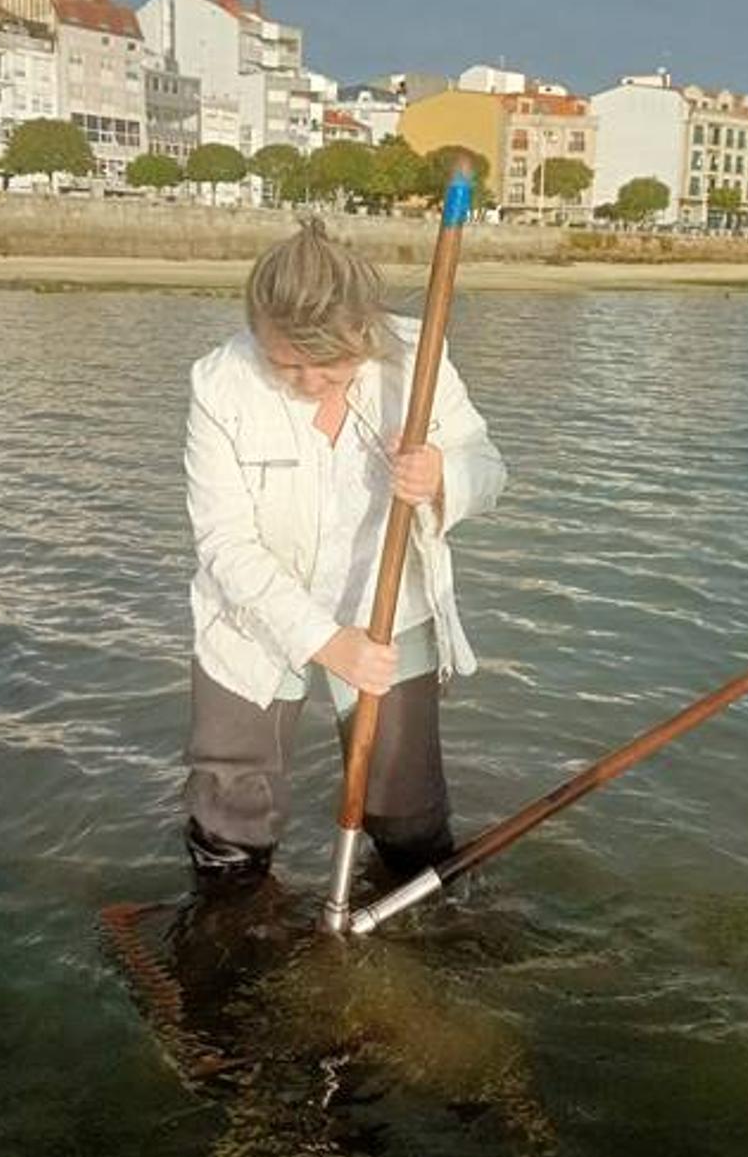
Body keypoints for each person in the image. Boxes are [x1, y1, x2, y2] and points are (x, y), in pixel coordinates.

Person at [182, 218, 505, 883]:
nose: (303, 383)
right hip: (255, 619)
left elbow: (489, 466)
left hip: (390, 612)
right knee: (231, 809)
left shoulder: (417, 358)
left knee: (405, 811)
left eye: (325, 368)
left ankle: (421, 929)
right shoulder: (219, 383)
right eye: (284, 363)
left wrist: (444, 474)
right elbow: (225, 541)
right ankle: (232, 930)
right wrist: (326, 642)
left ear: (363, 334)